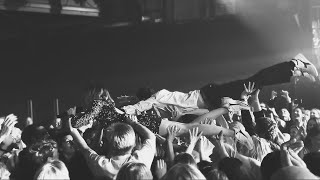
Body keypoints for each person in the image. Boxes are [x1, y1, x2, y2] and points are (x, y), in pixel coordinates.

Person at [123, 53, 318, 115]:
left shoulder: (159, 98)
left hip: (211, 96)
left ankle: (296, 64)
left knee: (257, 81)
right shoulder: (162, 104)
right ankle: (296, 70)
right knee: (257, 84)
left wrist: (125, 110)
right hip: (211, 99)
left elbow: (140, 105)